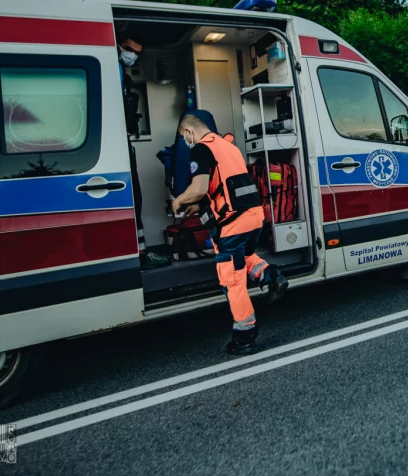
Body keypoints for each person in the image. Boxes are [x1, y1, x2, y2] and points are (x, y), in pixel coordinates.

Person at [171, 114, 288, 355]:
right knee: (242, 258)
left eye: (184, 136)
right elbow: (224, 185)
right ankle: (271, 275)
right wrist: (199, 206)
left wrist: (180, 201)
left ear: (189, 131)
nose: (185, 141)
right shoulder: (227, 146)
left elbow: (199, 188)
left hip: (233, 224)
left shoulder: (201, 150)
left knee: (232, 281)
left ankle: (245, 335)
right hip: (254, 216)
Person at [118, 38, 170, 269]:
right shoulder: (112, 69)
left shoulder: (123, 75)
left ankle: (140, 251)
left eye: (137, 52)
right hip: (118, 148)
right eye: (129, 50)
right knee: (131, 201)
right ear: (119, 46)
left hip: (125, 144)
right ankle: (138, 255)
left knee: (136, 201)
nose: (133, 56)